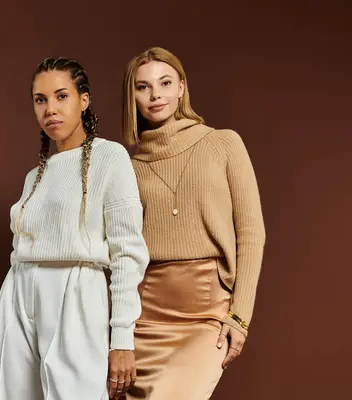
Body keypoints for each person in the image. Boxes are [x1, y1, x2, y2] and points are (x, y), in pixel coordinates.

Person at [0, 57, 150, 400]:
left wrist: (121, 339)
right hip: (18, 293)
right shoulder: (35, 176)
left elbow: (127, 252)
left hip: (76, 291)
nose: (50, 109)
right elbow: (18, 258)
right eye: (40, 100)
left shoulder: (109, 158)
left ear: (84, 100)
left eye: (61, 96)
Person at [121, 47, 266, 399]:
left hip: (207, 310)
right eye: (143, 87)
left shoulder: (223, 143)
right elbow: (121, 251)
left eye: (165, 82)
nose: (155, 95)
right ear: (132, 97)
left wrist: (240, 316)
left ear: (182, 87)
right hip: (146, 314)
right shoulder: (127, 165)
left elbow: (251, 233)